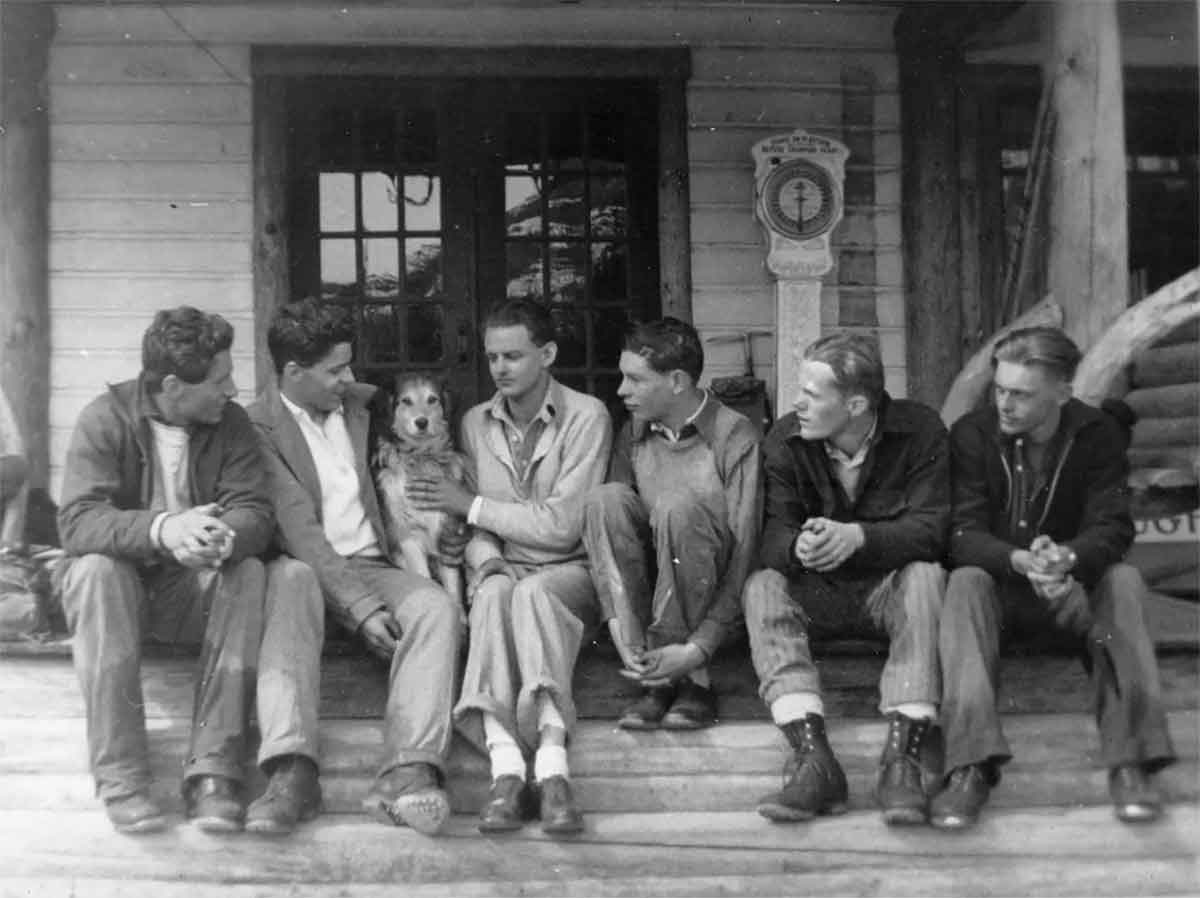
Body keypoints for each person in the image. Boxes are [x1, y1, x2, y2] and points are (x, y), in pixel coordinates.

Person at [57, 306, 325, 836]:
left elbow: (254, 509)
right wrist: (164, 529)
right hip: (121, 596)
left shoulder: (232, 425)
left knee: (247, 571)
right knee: (94, 571)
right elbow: (78, 521)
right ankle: (123, 779)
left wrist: (220, 536)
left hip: (192, 594)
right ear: (175, 385)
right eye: (220, 380)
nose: (231, 389)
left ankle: (214, 773)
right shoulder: (104, 419)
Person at [932, 326, 1175, 829]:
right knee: (964, 581)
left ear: (1062, 393)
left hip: (1078, 607)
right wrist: (1020, 560)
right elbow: (962, 533)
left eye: (1020, 394)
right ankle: (970, 765)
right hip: (998, 606)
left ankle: (1131, 761)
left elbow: (1113, 526)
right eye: (1000, 390)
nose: (1005, 403)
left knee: (1123, 581)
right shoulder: (973, 435)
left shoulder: (1096, 435)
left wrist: (1068, 557)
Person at [247, 297, 464, 836]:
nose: (350, 377)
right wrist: (363, 610)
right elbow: (299, 531)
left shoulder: (361, 407)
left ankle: (408, 770)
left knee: (436, 608)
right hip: (308, 568)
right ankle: (291, 770)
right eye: (335, 369)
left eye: (350, 365)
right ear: (294, 373)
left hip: (374, 562)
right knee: (291, 578)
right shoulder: (258, 428)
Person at [406, 299, 612, 836]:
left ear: (546, 354)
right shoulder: (476, 422)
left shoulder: (586, 417)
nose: (500, 368)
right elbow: (473, 532)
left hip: (570, 572)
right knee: (498, 593)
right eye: (493, 356)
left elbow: (564, 525)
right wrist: (488, 559)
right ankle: (506, 768)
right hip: (504, 567)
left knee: (532, 594)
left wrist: (469, 506)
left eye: (514, 356)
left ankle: (553, 766)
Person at [742, 331, 949, 826]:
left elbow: (934, 528)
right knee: (763, 587)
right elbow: (771, 536)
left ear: (855, 403)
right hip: (821, 597)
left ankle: (902, 760)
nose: (797, 403)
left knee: (926, 576)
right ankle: (814, 760)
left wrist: (859, 537)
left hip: (888, 592)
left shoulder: (919, 431)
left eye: (812, 395)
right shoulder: (786, 438)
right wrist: (799, 546)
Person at [581, 317, 761, 732]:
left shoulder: (733, 435)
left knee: (678, 507)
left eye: (635, 380)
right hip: (651, 603)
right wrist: (618, 624)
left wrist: (700, 648)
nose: (622, 390)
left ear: (677, 381)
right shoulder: (635, 432)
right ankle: (649, 668)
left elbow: (745, 552)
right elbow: (612, 532)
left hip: (713, 606)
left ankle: (691, 680)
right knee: (604, 499)